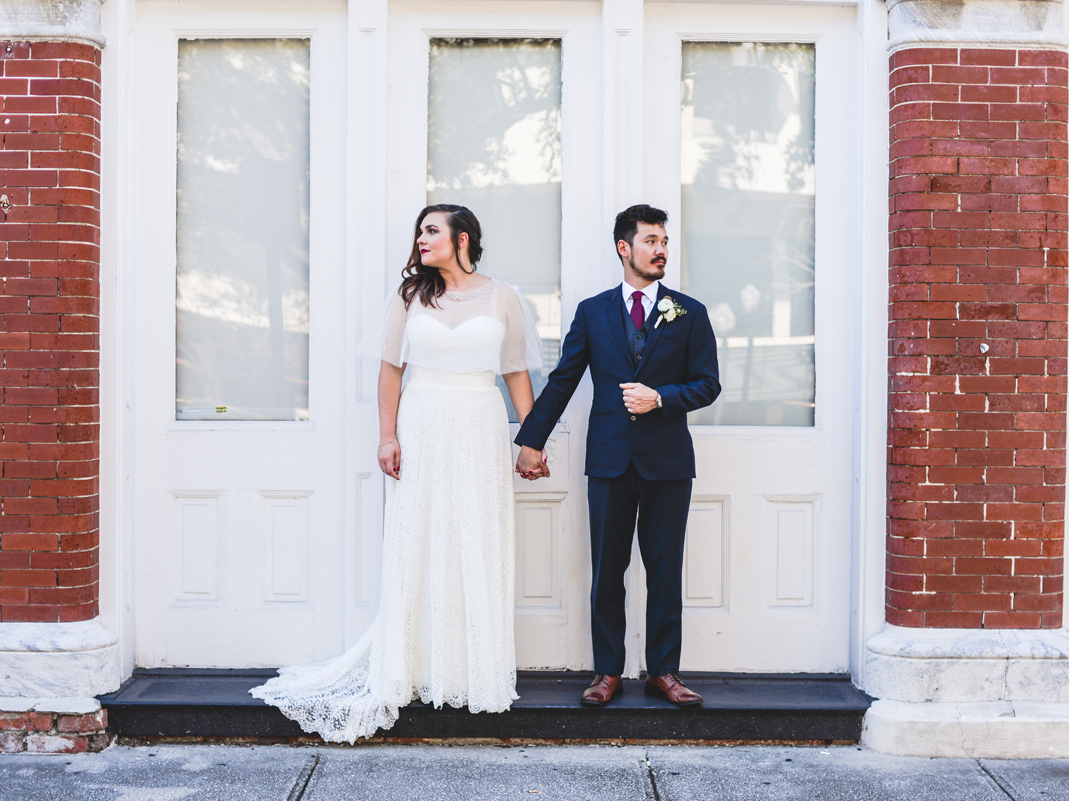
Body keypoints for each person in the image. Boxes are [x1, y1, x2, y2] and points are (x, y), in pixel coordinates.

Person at [251, 204, 542, 743]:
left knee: (474, 536)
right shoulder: (412, 296)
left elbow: (516, 373)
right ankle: (409, 668)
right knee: (420, 537)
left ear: (463, 238)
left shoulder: (503, 297)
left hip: (478, 423)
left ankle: (473, 670)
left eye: (432, 230)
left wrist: (532, 438)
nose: (421, 239)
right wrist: (388, 435)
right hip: (424, 421)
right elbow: (391, 369)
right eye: (420, 231)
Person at [515, 204, 720, 707]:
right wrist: (531, 438)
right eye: (651, 241)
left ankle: (663, 671)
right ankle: (606, 672)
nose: (662, 250)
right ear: (624, 248)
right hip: (608, 460)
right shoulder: (593, 311)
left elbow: (708, 385)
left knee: (665, 569)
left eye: (665, 241)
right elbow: (565, 379)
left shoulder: (689, 312)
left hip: (668, 461)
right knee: (607, 571)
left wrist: (662, 398)